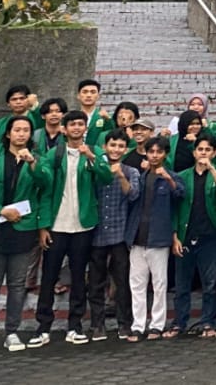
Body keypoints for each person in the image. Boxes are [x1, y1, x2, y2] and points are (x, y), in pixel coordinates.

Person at [0, 115, 48, 355]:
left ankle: (11, 331)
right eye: (17, 130)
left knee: (17, 284)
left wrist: (33, 163)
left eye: (26, 130)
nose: (22, 134)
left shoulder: (37, 160)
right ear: (8, 134)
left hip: (23, 229)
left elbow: (46, 184)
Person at [35, 109, 111, 347]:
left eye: (81, 124)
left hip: (83, 225)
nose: (77, 128)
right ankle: (43, 326)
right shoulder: (53, 154)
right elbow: (44, 188)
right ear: (64, 130)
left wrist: (90, 157)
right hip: (57, 225)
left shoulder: (95, 152)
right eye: (73, 125)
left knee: (79, 277)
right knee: (49, 276)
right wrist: (43, 226)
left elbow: (106, 177)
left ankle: (74, 325)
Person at [173, 133, 216, 337]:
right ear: (194, 152)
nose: (203, 153)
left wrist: (212, 168)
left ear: (214, 152)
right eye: (200, 149)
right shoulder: (183, 175)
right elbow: (176, 207)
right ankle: (179, 323)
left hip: (209, 235)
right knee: (182, 283)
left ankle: (208, 321)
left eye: (208, 150)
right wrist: (175, 236)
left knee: (210, 282)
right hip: (186, 234)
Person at [127, 136, 183, 340]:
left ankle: (157, 324)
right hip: (137, 237)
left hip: (159, 238)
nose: (155, 156)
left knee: (160, 283)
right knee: (137, 284)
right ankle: (138, 324)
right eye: (151, 152)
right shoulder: (140, 177)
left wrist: (167, 178)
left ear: (165, 154)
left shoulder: (173, 176)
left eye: (159, 152)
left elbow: (180, 195)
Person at [87, 130, 139, 342]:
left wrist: (119, 175)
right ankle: (97, 324)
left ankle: (124, 324)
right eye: (112, 145)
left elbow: (134, 194)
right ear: (105, 147)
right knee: (96, 282)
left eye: (120, 146)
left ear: (125, 149)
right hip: (96, 232)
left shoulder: (131, 171)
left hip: (120, 234)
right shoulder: (94, 170)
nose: (116, 149)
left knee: (122, 281)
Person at [0, 85, 42, 158]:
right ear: (8, 103)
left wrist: (35, 106)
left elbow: (42, 123)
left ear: (28, 100)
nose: (18, 102)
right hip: (3, 159)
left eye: (22, 98)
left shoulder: (35, 118)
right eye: (14, 99)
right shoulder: (1, 122)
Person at [76, 79, 115, 148]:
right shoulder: (72, 117)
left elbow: (113, 136)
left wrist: (108, 120)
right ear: (78, 96)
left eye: (93, 92)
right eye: (85, 92)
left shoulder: (105, 117)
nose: (88, 95)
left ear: (98, 96)